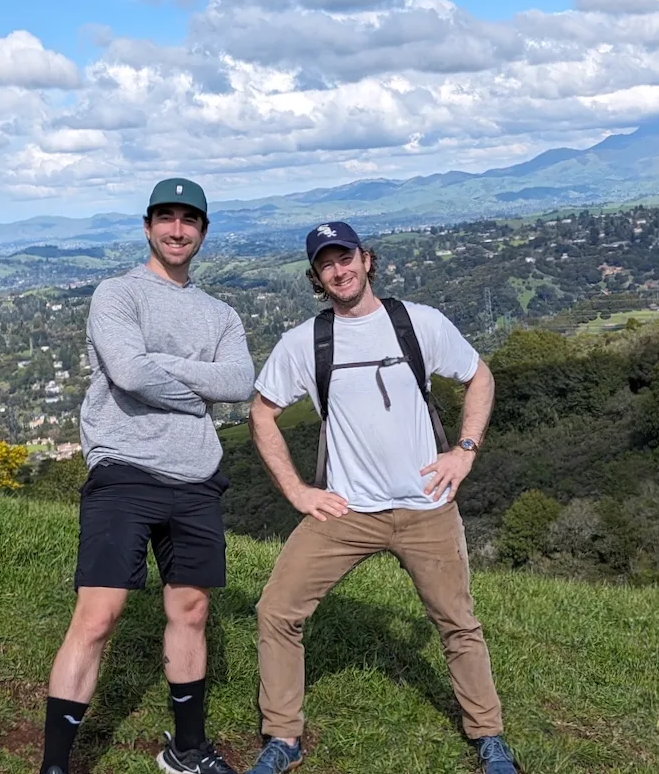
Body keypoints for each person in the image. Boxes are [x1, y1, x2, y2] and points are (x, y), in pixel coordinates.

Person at [243, 221, 519, 774]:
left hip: (426, 508)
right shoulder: (307, 342)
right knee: (277, 610)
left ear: (367, 260)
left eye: (345, 257)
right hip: (345, 511)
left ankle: (488, 736)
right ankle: (283, 738)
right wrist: (298, 491)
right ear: (316, 277)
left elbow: (479, 375)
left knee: (456, 622)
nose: (339, 270)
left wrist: (464, 450)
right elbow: (261, 412)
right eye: (326, 264)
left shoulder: (418, 323)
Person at [38, 178, 253, 774]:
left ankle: (186, 751)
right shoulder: (116, 294)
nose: (177, 229)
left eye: (189, 220)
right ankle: (55, 766)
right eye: (167, 218)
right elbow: (129, 374)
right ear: (147, 225)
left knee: (191, 611)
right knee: (98, 615)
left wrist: (162, 372)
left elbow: (238, 383)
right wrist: (194, 394)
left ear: (203, 232)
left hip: (195, 476)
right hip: (124, 470)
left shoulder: (221, 314)